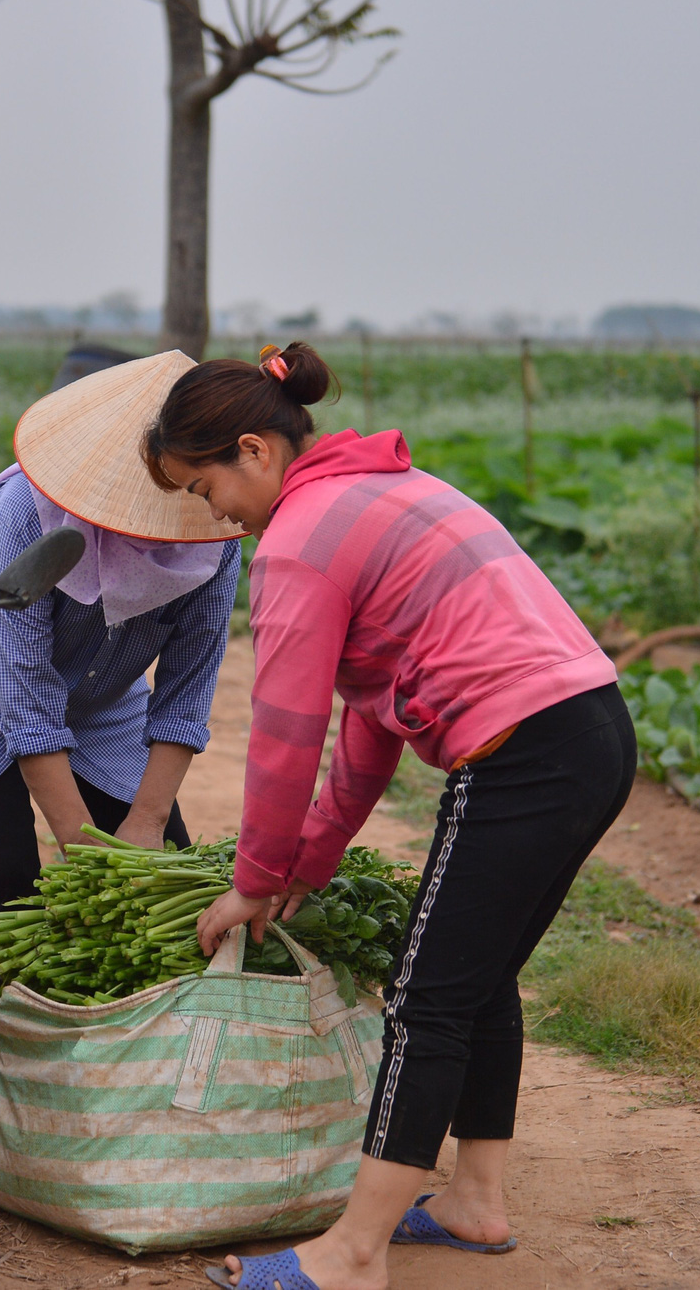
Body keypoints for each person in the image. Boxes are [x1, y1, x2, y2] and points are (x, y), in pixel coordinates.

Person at [144, 344, 635, 1290]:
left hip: (524, 751)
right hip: (591, 731)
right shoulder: (376, 490)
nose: (214, 515)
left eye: (204, 488)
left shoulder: (297, 539)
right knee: (477, 975)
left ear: (253, 450)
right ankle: (474, 1203)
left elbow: (287, 737)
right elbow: (372, 719)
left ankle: (352, 1253)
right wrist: (307, 860)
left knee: (428, 997)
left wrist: (253, 880)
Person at [0, 351, 245, 1026]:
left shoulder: (216, 527)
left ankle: (133, 1051)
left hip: (100, 702)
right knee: (10, 887)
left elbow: (185, 691)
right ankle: (15, 1057)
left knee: (165, 872)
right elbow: (25, 698)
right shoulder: (24, 509)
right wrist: (81, 843)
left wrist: (145, 825)